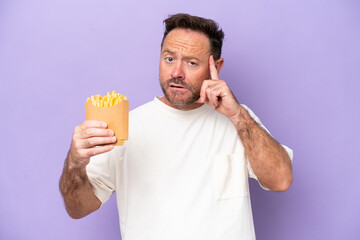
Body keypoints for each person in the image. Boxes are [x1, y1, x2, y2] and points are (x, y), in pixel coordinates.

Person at [59, 13, 293, 240]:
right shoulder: (127, 127)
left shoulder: (240, 121)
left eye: (191, 62)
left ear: (216, 67)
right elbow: (77, 209)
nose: (176, 73)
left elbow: (281, 180)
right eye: (169, 59)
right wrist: (75, 163)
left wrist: (238, 116)